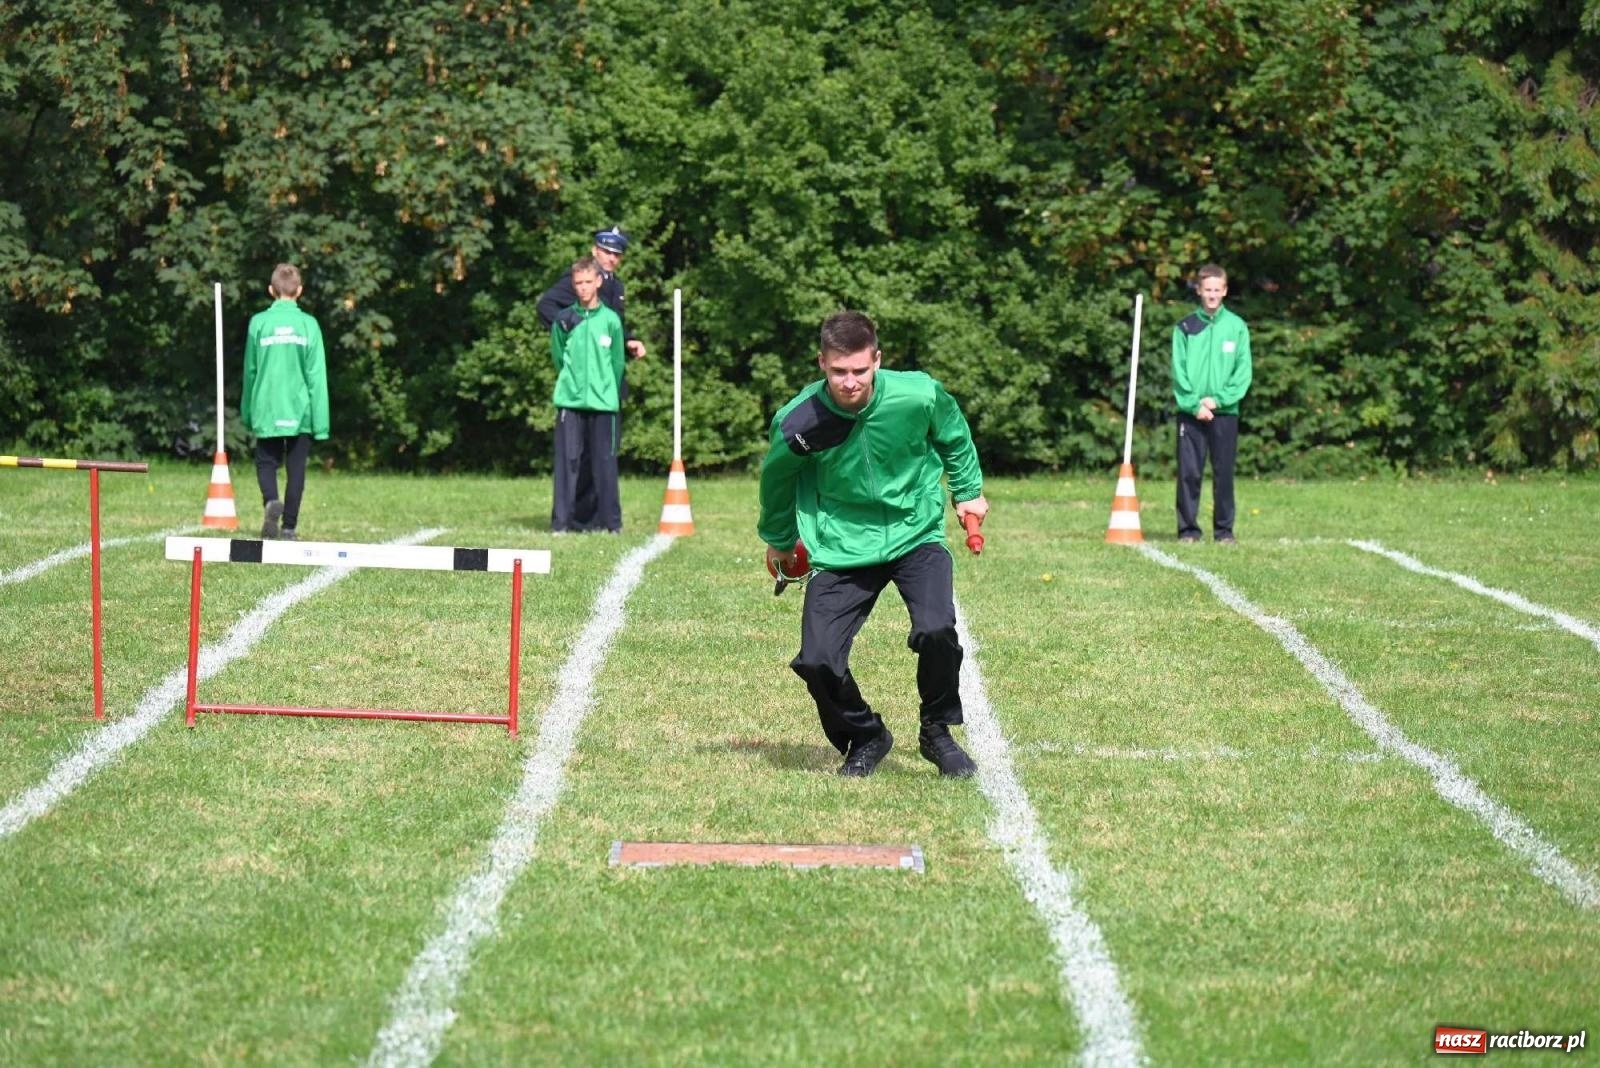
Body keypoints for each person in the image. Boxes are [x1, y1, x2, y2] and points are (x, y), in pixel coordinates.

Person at [758, 310, 989, 779]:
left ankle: (937, 732)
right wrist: (781, 540)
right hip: (842, 543)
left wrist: (967, 490)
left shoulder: (918, 394)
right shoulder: (798, 420)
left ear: (877, 360)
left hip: (914, 532)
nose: (849, 382)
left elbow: (954, 436)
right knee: (817, 660)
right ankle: (865, 735)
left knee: (936, 629)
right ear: (821, 363)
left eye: (860, 370)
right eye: (839, 371)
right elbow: (776, 479)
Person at [537, 225, 646, 521]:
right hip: (581, 384)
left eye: (617, 254)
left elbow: (612, 324)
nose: (612, 258)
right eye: (607, 252)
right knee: (578, 457)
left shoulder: (614, 285)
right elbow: (548, 307)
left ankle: (595, 515)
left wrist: (629, 340)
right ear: (595, 251)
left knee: (602, 455)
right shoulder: (580, 279)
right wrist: (574, 333)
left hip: (605, 382)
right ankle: (576, 516)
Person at [240, 263, 329, 541]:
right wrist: (321, 424)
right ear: (299, 291)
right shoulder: (309, 325)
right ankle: (289, 528)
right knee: (296, 469)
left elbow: (250, 371)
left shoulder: (259, 323)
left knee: (266, 462)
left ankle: (270, 501)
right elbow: (317, 376)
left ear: (271, 290)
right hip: (300, 410)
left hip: (267, 407)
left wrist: (247, 411)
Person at [1172, 263, 1252, 543]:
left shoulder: (1237, 327)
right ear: (1199, 290)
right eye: (1208, 290)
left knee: (1224, 475)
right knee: (1189, 474)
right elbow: (1179, 372)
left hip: (1225, 414)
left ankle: (1224, 531)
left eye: (1217, 290)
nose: (1212, 295)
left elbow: (1243, 374)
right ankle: (1188, 530)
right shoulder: (1184, 327)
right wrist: (1195, 405)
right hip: (1191, 413)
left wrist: (1217, 401)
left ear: (1225, 291)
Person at [550, 255, 626, 533]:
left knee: (605, 464)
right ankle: (561, 524)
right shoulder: (564, 319)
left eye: (587, 282)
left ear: (597, 282)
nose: (582, 287)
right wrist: (571, 383)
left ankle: (611, 524)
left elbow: (617, 363)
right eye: (577, 283)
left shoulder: (611, 320)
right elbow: (558, 357)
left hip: (603, 403)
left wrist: (606, 388)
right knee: (567, 464)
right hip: (570, 402)